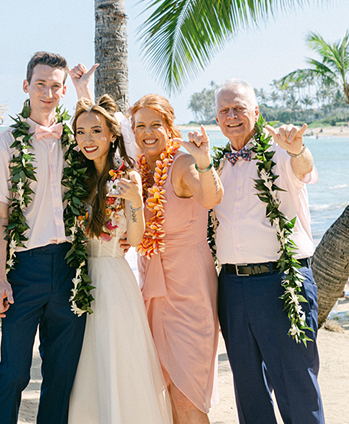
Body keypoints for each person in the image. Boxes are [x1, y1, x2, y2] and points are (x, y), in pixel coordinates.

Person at [0, 52, 94, 424]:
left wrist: (84, 91)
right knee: (13, 372)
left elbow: (107, 134)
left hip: (70, 267)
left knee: (61, 375)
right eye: (41, 83)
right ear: (26, 86)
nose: (48, 92)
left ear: (63, 91)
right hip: (24, 269)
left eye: (55, 86)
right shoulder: (4, 144)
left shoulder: (78, 140)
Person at [210, 80, 323, 424]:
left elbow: (303, 168)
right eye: (224, 110)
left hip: (282, 281)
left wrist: (297, 149)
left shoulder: (279, 152)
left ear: (256, 113)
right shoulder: (215, 167)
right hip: (231, 286)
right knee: (249, 391)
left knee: (296, 386)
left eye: (239, 108)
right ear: (217, 120)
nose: (232, 116)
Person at [67, 96, 171, 424]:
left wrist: (136, 201)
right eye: (81, 133)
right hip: (77, 279)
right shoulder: (73, 176)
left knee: (118, 359)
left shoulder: (127, 176)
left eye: (96, 131)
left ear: (112, 135)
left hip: (112, 278)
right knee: (85, 364)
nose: (88, 140)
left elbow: (137, 239)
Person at [131, 94, 224, 424]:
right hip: (154, 295)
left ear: (170, 128)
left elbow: (211, 197)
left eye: (156, 124)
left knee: (188, 396)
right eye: (140, 125)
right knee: (166, 395)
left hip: (189, 292)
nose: (148, 132)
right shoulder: (140, 170)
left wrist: (204, 161)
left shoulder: (182, 165)